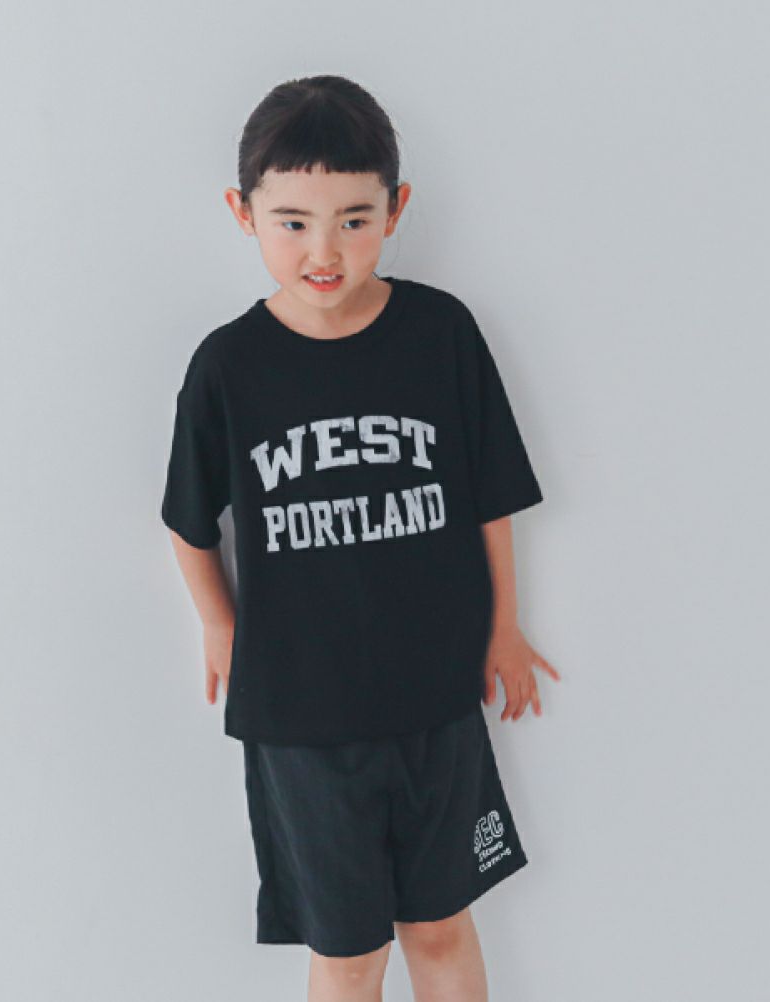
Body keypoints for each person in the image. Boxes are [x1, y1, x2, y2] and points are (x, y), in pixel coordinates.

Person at [159, 74, 560, 1002]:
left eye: (353, 218)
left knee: (441, 928)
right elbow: (188, 522)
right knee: (346, 954)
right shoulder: (229, 367)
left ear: (395, 208)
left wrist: (504, 626)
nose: (324, 249)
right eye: (293, 221)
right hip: (301, 720)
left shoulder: (440, 334)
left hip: (437, 699)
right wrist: (218, 623)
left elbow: (491, 497)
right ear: (244, 213)